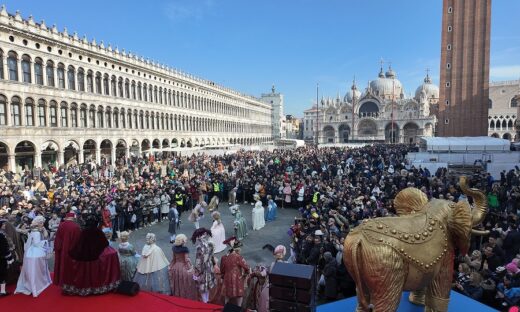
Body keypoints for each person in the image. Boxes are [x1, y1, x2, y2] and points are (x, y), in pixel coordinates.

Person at [64, 214, 121, 296]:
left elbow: (78, 244)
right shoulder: (97, 231)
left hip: (82, 255)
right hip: (96, 256)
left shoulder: (83, 232)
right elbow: (105, 243)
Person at [14, 216, 52, 297]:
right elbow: (37, 243)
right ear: (38, 223)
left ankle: (32, 283)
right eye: (41, 223)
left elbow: (44, 236)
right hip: (36, 252)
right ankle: (36, 284)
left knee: (34, 269)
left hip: (31, 252)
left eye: (42, 222)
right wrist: (45, 242)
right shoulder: (36, 232)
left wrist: (44, 231)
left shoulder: (35, 230)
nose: (42, 224)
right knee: (37, 269)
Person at [53, 212, 81, 287]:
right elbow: (78, 241)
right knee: (71, 268)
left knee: (63, 265)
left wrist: (57, 249)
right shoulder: (76, 227)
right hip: (72, 251)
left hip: (62, 250)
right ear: (73, 218)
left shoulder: (61, 225)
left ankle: (62, 282)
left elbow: (57, 239)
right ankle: (71, 283)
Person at [220, 236, 250, 306]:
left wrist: (224, 276)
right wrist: (245, 275)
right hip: (237, 278)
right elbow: (246, 267)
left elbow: (222, 270)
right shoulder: (238, 257)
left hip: (227, 278)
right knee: (239, 295)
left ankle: (226, 308)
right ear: (237, 249)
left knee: (227, 296)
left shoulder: (224, 257)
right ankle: (238, 309)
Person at [167, 234, 198, 300]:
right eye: (185, 240)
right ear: (183, 241)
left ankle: (178, 295)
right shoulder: (185, 250)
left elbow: (173, 259)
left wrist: (170, 266)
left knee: (178, 282)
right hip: (183, 268)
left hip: (176, 267)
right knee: (187, 282)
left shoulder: (174, 249)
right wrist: (190, 269)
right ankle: (186, 296)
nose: (186, 241)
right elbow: (186, 260)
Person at [192, 228, 215, 303]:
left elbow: (198, 262)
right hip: (209, 266)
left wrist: (196, 273)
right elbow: (212, 257)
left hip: (203, 269)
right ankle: (207, 301)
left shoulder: (199, 248)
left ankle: (205, 303)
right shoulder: (210, 244)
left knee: (202, 287)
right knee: (207, 286)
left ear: (198, 237)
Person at [0, 219, 14, 296]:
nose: (4, 225)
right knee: (2, 273)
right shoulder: (1, 235)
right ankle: (2, 291)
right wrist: (9, 257)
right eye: (3, 224)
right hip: (1, 258)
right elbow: (4, 248)